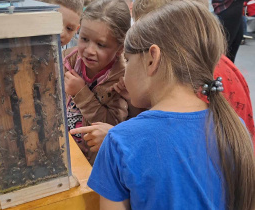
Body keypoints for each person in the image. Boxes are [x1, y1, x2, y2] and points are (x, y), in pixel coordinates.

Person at [87, 1, 255, 209]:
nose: (125, 71)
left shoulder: (119, 142)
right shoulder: (235, 128)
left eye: (127, 60)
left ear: (152, 59)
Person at [71, 0, 255, 153]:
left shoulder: (185, 87)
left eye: (128, 57)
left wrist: (118, 138)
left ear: (153, 55)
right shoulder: (218, 69)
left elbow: (171, 147)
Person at [63, 0, 131, 165]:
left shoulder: (121, 80)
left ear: (120, 48)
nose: (89, 50)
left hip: (92, 163)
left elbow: (112, 127)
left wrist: (81, 93)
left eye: (101, 44)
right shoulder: (70, 60)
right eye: (84, 39)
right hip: (66, 149)